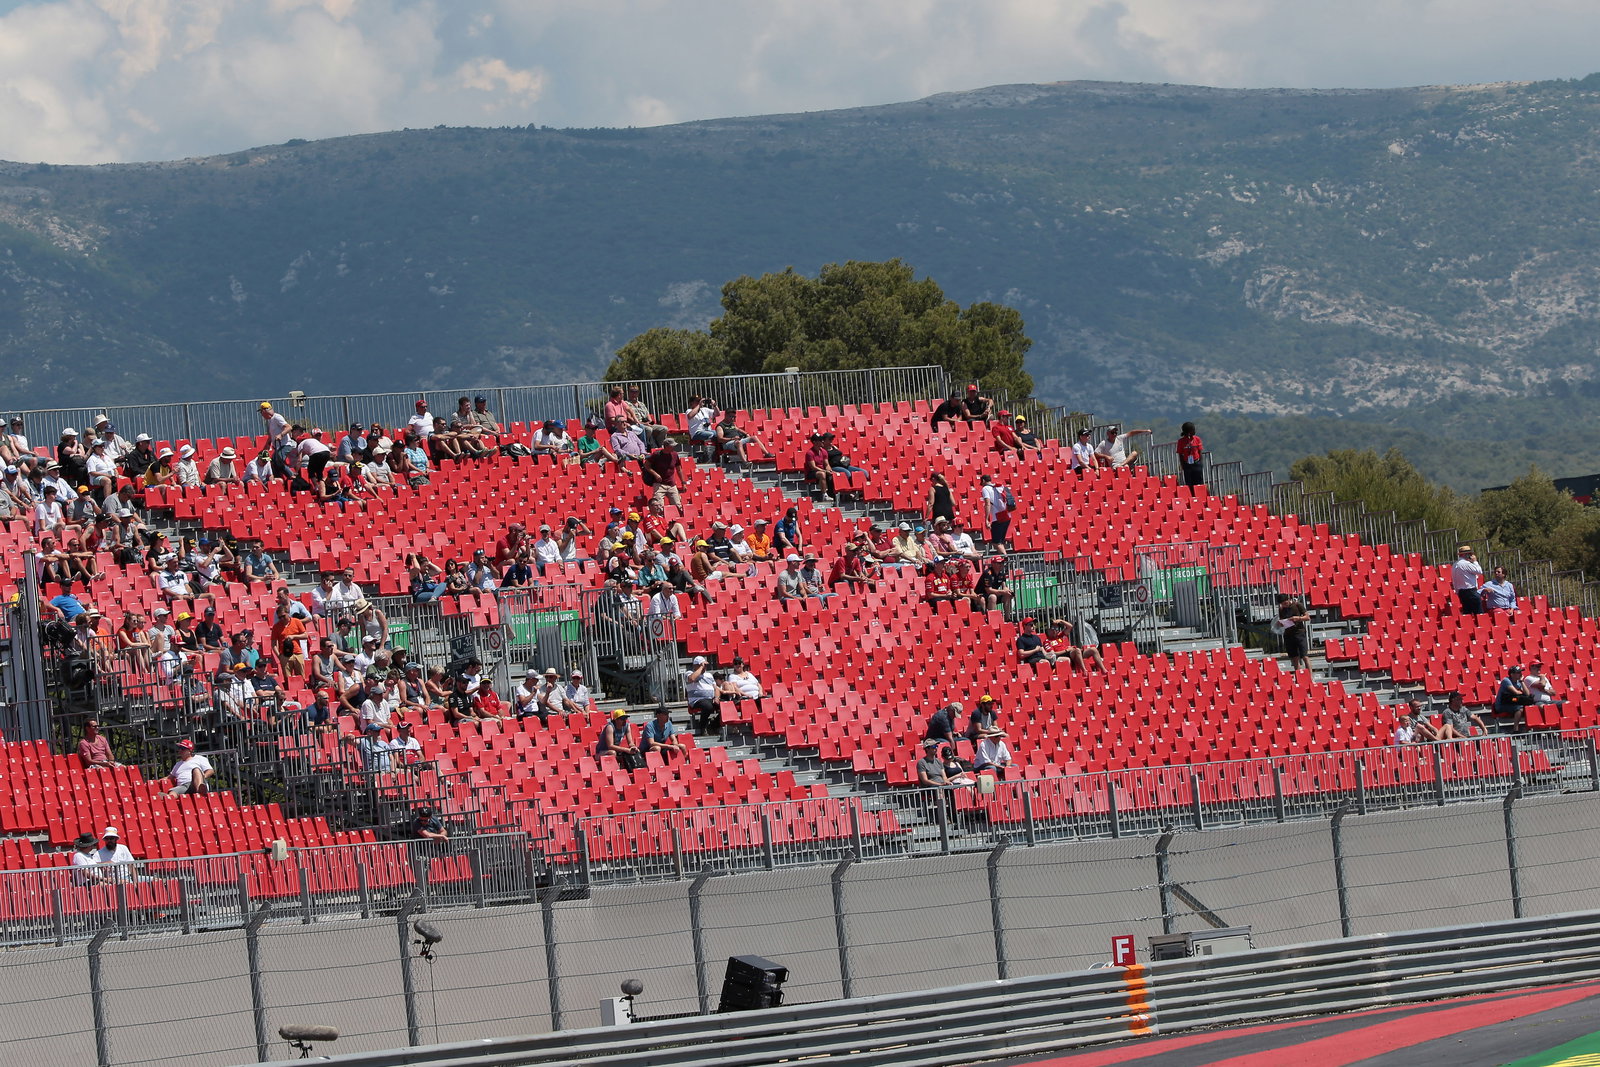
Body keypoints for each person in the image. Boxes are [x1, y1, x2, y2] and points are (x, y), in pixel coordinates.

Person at [1493, 665, 1535, 731]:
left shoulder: (1519, 682)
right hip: (1502, 705)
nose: (1521, 674)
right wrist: (1522, 693)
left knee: (1529, 706)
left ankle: (1531, 727)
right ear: (1512, 674)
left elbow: (1527, 694)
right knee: (1519, 708)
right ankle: (1516, 729)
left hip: (1512, 702)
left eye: (1520, 672)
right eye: (1518, 673)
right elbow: (1516, 692)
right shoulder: (1506, 680)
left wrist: (1522, 682)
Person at [685, 656, 720, 733]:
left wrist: (716, 697)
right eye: (702, 665)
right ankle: (702, 726)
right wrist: (701, 668)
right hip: (697, 700)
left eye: (705, 665)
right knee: (707, 706)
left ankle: (714, 724)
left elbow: (716, 688)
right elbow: (692, 679)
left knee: (726, 705)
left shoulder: (709, 675)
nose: (704, 667)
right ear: (695, 665)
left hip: (710, 698)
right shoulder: (689, 673)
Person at [1277, 594, 1311, 672]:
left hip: (1299, 632)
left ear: (1288, 600)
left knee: (1304, 656)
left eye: (1285, 603)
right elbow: (1281, 620)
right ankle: (1299, 675)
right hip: (1288, 634)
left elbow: (1307, 617)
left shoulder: (1297, 605)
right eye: (1282, 604)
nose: (1284, 605)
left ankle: (1310, 676)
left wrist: (1298, 618)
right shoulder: (1281, 609)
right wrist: (1281, 623)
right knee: (1294, 658)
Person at [980, 473, 1014, 550]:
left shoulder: (985, 489)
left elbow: (987, 504)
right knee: (1000, 542)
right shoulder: (999, 486)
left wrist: (987, 519)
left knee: (996, 543)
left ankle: (1005, 559)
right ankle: (1004, 559)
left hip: (998, 517)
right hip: (1007, 515)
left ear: (983, 481)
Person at [1451, 544, 1484, 615]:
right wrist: (1475, 561)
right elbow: (1479, 571)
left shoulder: (1455, 565)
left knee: (1467, 614)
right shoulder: (1466, 564)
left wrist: (1457, 591)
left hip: (1461, 592)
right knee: (1479, 614)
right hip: (1470, 591)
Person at [1176, 422, 1205, 488]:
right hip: (1187, 465)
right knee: (1189, 483)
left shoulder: (1197, 439)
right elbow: (1180, 454)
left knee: (1199, 483)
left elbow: (1200, 451)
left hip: (1196, 463)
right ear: (1188, 432)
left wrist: (1200, 463)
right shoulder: (1181, 441)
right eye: (1193, 430)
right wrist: (1183, 465)